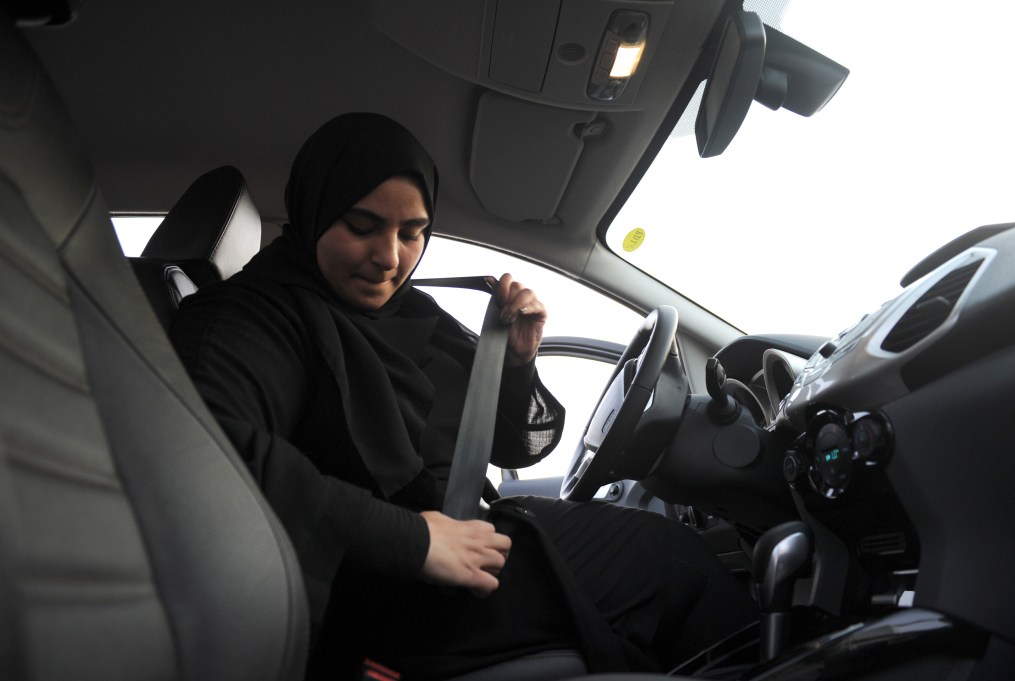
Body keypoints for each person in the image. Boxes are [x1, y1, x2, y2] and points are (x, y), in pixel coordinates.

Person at [170, 112, 758, 680]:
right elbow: (213, 460)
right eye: (362, 225)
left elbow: (516, 446)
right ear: (314, 208)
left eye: (412, 232)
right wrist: (414, 538)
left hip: (468, 539)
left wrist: (520, 362)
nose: (390, 258)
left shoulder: (410, 310)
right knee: (676, 566)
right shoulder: (247, 318)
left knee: (668, 550)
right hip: (391, 597)